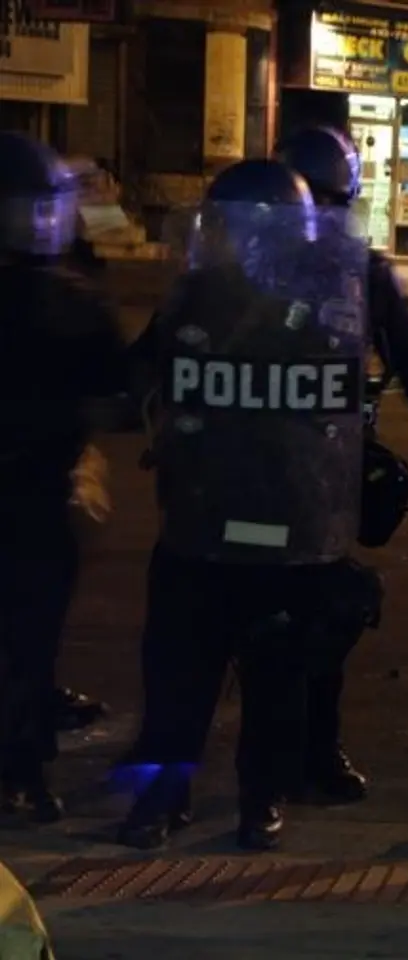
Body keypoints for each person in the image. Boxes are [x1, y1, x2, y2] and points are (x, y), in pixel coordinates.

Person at [116, 158, 378, 851]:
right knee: (178, 676)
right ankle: (162, 796)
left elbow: (342, 408)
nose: (226, 241)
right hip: (200, 520)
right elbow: (137, 377)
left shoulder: (325, 307)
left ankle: (262, 798)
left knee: (275, 681)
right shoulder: (192, 298)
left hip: (284, 525)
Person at [273, 125, 408, 803]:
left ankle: (317, 748)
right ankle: (201, 761)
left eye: (326, 203)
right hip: (255, 465)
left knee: (326, 612)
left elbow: (407, 344)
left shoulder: (362, 270)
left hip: (328, 467)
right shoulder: (243, 264)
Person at [0, 132, 129, 821]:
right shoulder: (60, 295)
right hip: (37, 486)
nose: (44, 218)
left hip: (42, 487)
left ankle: (25, 748)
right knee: (28, 633)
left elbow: (112, 382)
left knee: (31, 634)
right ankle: (20, 766)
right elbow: (116, 389)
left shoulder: (67, 291)